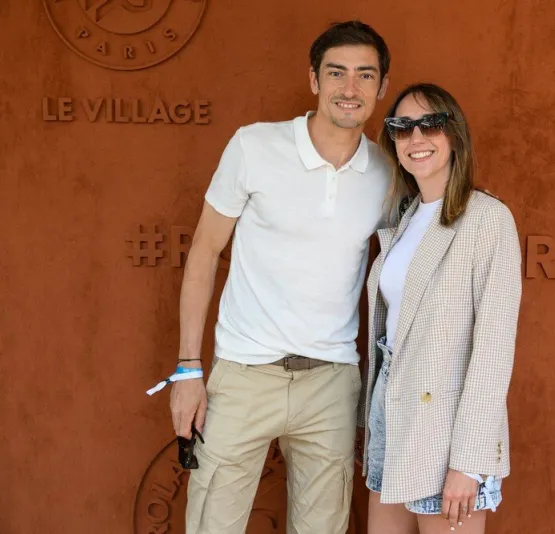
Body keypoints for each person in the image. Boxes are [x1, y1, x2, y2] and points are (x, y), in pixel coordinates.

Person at [167, 20, 392, 534]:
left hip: (332, 383)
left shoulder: (386, 171)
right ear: (314, 79)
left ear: (380, 88)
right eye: (337, 73)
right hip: (245, 375)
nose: (349, 89)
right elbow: (204, 251)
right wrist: (187, 369)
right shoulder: (254, 147)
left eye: (364, 76)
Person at [358, 83, 523, 534]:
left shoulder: (487, 219)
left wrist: (468, 462)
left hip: (447, 429)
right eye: (402, 127)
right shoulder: (405, 218)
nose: (416, 138)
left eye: (430, 124)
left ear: (455, 135)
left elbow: (493, 351)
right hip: (391, 412)